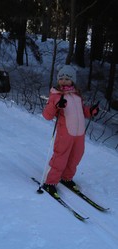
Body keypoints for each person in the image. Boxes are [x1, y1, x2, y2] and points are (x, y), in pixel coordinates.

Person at [42, 65, 99, 195]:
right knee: (60, 157)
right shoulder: (56, 96)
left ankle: (66, 178)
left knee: (76, 156)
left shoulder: (77, 95)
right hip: (65, 133)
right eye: (61, 78)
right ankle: (50, 181)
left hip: (79, 134)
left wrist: (90, 111)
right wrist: (56, 105)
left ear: (72, 80)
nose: (63, 80)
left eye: (67, 78)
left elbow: (81, 111)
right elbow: (47, 115)